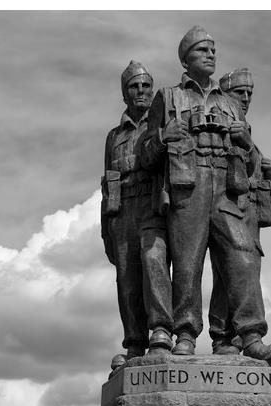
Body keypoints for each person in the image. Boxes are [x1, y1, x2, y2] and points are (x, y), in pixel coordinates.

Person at [142, 27, 271, 362]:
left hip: (225, 185)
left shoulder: (229, 103)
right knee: (188, 264)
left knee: (243, 256)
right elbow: (147, 154)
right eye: (202, 50)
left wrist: (247, 142)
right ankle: (186, 333)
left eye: (213, 50)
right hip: (187, 186)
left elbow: (251, 162)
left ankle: (250, 335)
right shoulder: (169, 97)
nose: (210, 55)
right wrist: (164, 136)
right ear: (185, 58)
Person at [208, 68, 271, 362]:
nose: (245, 98)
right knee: (240, 263)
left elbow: (252, 169)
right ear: (224, 95)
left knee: (232, 272)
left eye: (249, 93)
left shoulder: (245, 127)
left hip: (245, 209)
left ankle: (226, 337)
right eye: (239, 92)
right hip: (222, 204)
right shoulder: (223, 121)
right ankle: (245, 334)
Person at [101, 61, 173, 368]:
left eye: (145, 85)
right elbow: (107, 182)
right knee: (127, 278)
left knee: (153, 260)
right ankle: (134, 343)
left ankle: (161, 330)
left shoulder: (160, 123)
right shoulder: (113, 135)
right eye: (134, 86)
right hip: (122, 211)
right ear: (124, 93)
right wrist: (106, 228)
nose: (141, 90)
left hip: (151, 204)